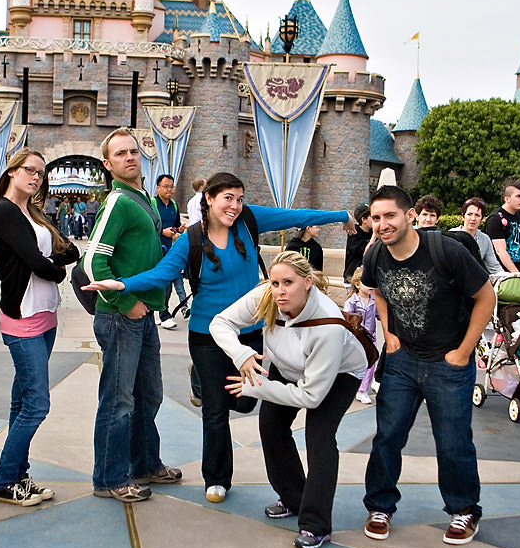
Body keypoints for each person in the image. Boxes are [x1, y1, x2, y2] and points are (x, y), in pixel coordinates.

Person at [86, 170, 355, 504]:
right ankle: (217, 477)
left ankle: (201, 382)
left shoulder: (249, 220)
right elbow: (162, 273)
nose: (235, 205)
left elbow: (296, 216)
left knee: (245, 401)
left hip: (250, 334)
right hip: (207, 336)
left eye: (240, 199)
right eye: (228, 198)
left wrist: (342, 216)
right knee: (215, 411)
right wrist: (123, 285)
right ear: (209, 199)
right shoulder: (191, 239)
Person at [361, 186, 495, 546]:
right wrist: (389, 334)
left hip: (448, 362)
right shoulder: (376, 255)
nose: (383, 224)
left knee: (452, 442)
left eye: (390, 215)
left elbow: (486, 296)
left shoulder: (445, 250)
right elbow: (377, 292)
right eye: (376, 217)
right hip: (403, 361)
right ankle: (380, 505)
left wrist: (464, 351)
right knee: (387, 436)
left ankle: (464, 510)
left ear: (410, 216)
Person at [211, 251, 366, 548]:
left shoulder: (328, 325)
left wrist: (256, 388)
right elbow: (221, 322)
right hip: (288, 365)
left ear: (308, 283)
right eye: (274, 282)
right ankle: (294, 497)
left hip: (339, 374)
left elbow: (311, 396)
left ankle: (316, 525)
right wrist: (241, 354)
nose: (280, 291)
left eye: (288, 283)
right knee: (271, 425)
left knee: (319, 436)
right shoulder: (268, 297)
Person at [82, 127, 182, 503]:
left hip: (144, 315)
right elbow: (93, 259)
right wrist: (126, 303)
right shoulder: (118, 202)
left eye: (133, 151)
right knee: (119, 400)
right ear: (108, 164)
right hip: (121, 315)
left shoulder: (145, 199)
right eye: (120, 154)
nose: (129, 157)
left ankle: (144, 463)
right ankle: (109, 477)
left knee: (148, 394)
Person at [0, 149, 79, 505]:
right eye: (30, 170)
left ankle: (18, 475)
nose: (36, 177)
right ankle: (3, 480)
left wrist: (50, 262)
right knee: (37, 404)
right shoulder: (5, 212)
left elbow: (69, 252)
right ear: (11, 172)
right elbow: (44, 267)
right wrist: (53, 266)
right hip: (22, 318)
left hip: (46, 317)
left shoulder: (34, 213)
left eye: (41, 173)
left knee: (22, 401)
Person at [154, 173, 186, 330]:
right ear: (158, 188)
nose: (169, 189)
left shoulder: (174, 205)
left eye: (171, 186)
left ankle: (162, 313)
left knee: (168, 281)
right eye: (165, 186)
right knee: (164, 281)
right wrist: (162, 232)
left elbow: (176, 225)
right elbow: (147, 226)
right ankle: (163, 314)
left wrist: (178, 230)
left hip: (169, 249)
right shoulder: (152, 204)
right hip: (154, 248)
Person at [343, 267, 377, 404]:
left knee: (370, 363)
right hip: (357, 338)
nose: (370, 286)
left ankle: (363, 390)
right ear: (357, 284)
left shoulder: (374, 300)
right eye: (366, 282)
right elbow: (347, 319)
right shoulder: (352, 301)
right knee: (354, 364)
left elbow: (380, 315)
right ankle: (352, 386)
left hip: (370, 338)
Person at [485, 177, 520, 273]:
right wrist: (516, 275)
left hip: (517, 269)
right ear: (507, 199)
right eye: (518, 196)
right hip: (501, 272)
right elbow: (500, 251)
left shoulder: (519, 217)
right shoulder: (495, 219)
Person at [451, 198, 502, 280]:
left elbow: (494, 267)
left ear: (481, 219)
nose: (473, 218)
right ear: (463, 216)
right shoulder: (451, 235)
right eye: (469, 214)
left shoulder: (485, 239)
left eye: (477, 215)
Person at [344, 204, 373, 280]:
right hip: (353, 277)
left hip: (369, 277)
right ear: (363, 219)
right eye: (373, 217)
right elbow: (364, 252)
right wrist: (375, 236)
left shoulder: (373, 233)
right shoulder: (354, 234)